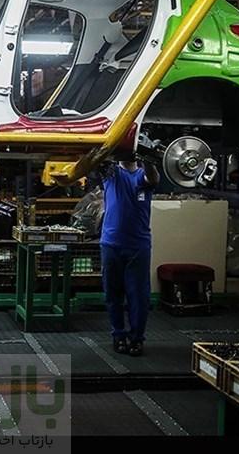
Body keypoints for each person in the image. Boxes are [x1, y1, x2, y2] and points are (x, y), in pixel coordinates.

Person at [98, 150, 159, 357]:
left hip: (138, 247)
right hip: (111, 244)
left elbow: (153, 178)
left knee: (139, 296)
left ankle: (136, 339)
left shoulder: (143, 176)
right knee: (113, 294)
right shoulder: (111, 173)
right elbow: (96, 161)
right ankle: (118, 335)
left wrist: (147, 158)